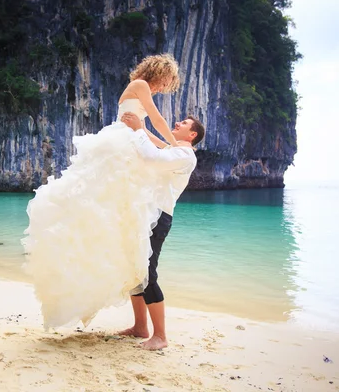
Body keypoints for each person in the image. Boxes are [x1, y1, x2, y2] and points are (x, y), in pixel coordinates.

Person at [21, 54, 182, 330]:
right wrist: (176, 143)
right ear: (159, 72)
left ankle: (138, 317)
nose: (162, 88)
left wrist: (168, 149)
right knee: (110, 207)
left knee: (117, 211)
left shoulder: (139, 87)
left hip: (129, 141)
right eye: (165, 82)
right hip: (123, 145)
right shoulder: (141, 85)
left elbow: (144, 129)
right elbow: (154, 118)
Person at [118, 111, 205, 350]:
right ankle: (140, 328)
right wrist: (140, 125)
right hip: (146, 215)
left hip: (158, 217)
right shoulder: (174, 150)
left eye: (184, 123)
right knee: (135, 270)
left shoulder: (185, 155)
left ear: (193, 134)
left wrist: (138, 130)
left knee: (148, 273)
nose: (177, 123)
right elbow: (155, 142)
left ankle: (161, 336)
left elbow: (151, 158)